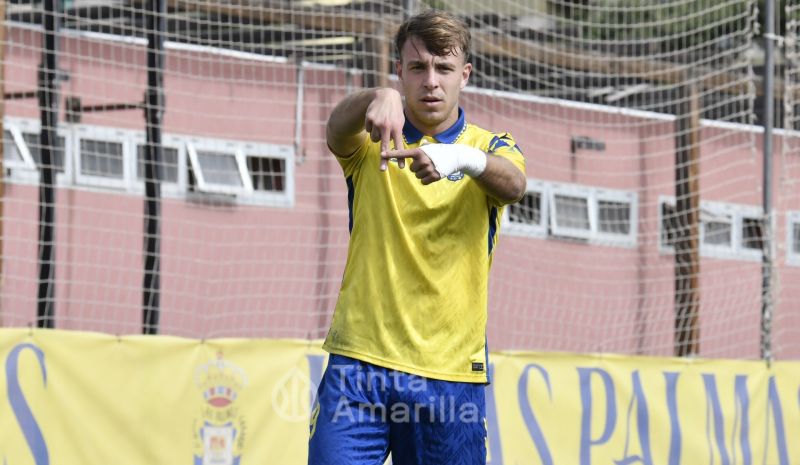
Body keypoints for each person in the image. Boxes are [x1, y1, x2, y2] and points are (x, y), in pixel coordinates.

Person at [308, 9, 526, 465]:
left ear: (463, 75)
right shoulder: (371, 140)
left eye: (444, 68)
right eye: (417, 67)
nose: (431, 81)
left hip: (449, 375)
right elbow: (334, 129)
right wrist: (376, 96)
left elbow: (515, 185)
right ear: (401, 72)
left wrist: (463, 159)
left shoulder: (490, 147)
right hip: (359, 364)